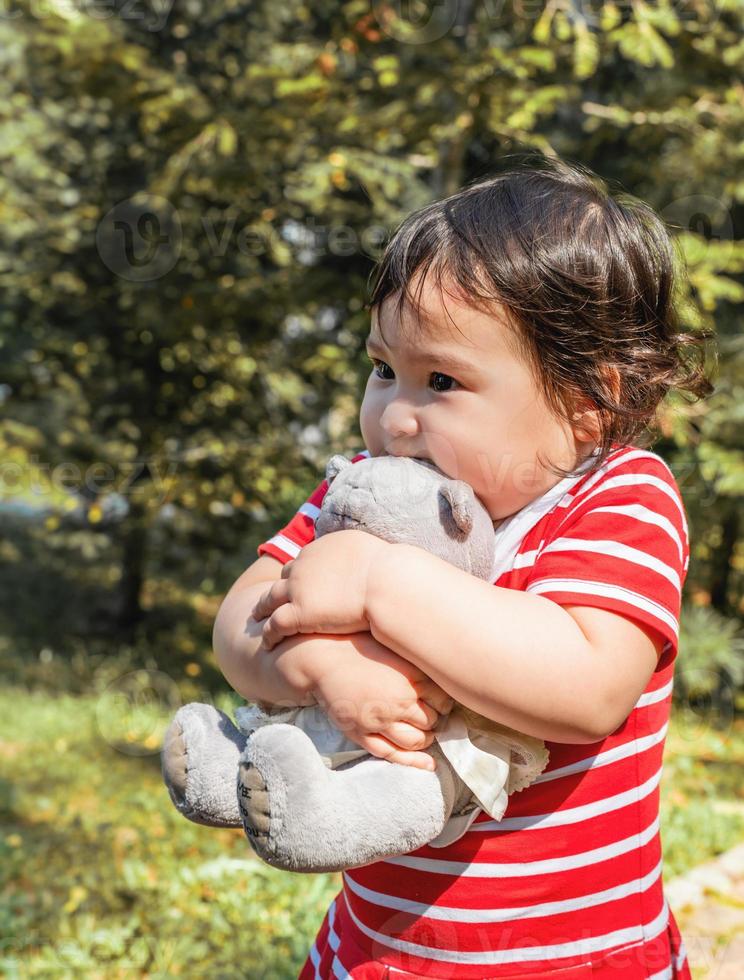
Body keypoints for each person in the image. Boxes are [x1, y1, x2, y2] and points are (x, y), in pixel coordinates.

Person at [212, 156, 714, 978]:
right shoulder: (361, 493)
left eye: (440, 380)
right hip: (376, 950)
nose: (393, 416)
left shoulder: (618, 496)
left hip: (570, 959)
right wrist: (322, 661)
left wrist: (377, 585)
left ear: (589, 400)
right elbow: (237, 624)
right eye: (383, 369)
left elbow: (585, 687)